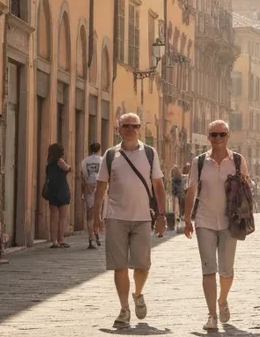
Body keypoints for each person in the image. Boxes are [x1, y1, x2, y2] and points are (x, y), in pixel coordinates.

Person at [91, 113, 167, 329]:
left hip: (142, 217)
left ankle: (138, 293)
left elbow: (158, 185)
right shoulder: (110, 155)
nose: (131, 129)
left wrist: (161, 215)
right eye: (126, 126)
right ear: (119, 130)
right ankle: (124, 308)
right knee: (120, 266)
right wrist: (96, 215)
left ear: (139, 129)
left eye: (135, 126)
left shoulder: (150, 153)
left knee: (142, 265)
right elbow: (101, 186)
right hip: (116, 217)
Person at [184, 120, 250, 332]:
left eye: (222, 134)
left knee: (227, 270)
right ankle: (212, 315)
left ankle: (222, 300)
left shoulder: (238, 160)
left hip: (230, 222)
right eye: (214, 134)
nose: (218, 138)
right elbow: (191, 190)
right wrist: (186, 219)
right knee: (208, 268)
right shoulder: (199, 162)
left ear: (228, 136)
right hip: (204, 220)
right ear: (208, 137)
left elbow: (247, 189)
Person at [43, 143, 72, 248]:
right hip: (62, 190)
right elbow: (68, 168)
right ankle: (61, 239)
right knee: (62, 217)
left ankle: (54, 241)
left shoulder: (49, 163)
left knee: (53, 217)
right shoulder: (60, 161)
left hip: (52, 191)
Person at [81, 142, 104, 249]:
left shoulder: (84, 161)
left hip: (89, 187)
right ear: (99, 150)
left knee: (90, 213)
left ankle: (91, 238)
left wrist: (84, 190)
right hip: (100, 186)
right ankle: (97, 233)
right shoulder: (102, 160)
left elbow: (84, 175)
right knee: (98, 212)